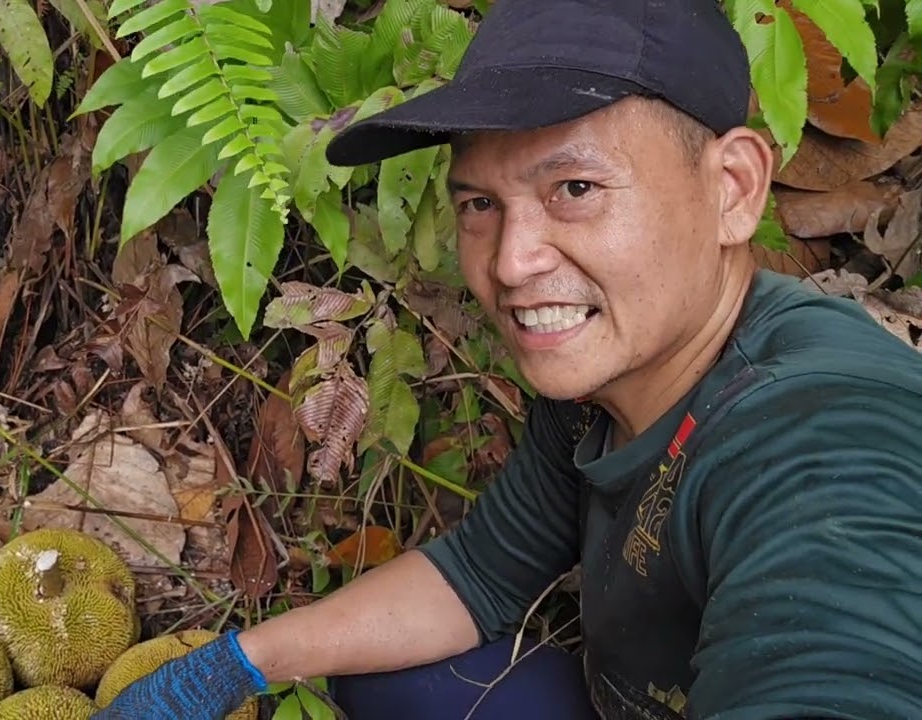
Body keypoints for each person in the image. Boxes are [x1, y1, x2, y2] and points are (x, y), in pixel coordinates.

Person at [91, 0, 922, 717]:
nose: (512, 262)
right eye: (482, 203)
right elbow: (481, 572)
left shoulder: (823, 438)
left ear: (732, 189)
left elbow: (843, 664)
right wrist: (235, 667)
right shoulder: (608, 374)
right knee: (385, 680)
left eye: (576, 190)